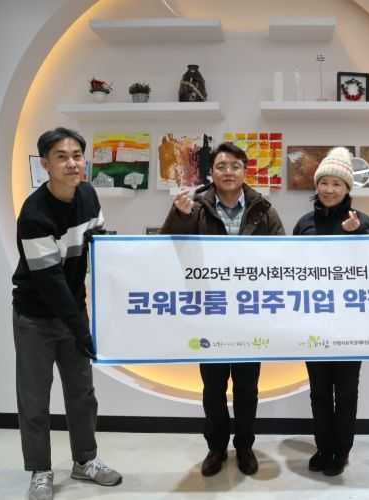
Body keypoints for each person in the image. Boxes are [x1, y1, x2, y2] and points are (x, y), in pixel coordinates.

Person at [160, 141, 285, 477]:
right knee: (213, 388)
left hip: (249, 313)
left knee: (247, 387)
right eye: (221, 166)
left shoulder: (263, 210)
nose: (228, 172)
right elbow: (168, 247)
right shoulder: (195, 207)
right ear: (211, 173)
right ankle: (216, 448)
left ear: (245, 172)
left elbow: (283, 256)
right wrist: (179, 215)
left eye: (235, 166)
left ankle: (244, 446)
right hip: (209, 311)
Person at [12, 128, 122, 500]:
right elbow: (50, 283)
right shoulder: (34, 214)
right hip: (35, 317)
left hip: (73, 310)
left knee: (82, 393)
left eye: (77, 155)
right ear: (45, 164)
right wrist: (81, 328)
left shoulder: (88, 195)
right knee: (34, 399)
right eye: (61, 157)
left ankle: (85, 460)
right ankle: (40, 470)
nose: (72, 163)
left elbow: (98, 244)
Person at [292, 147, 369, 476]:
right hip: (313, 320)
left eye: (336, 184)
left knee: (345, 391)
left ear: (347, 189)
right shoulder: (304, 224)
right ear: (316, 186)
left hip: (351, 323)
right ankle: (322, 447)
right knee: (318, 391)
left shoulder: (362, 222)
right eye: (324, 183)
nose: (329, 189)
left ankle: (341, 451)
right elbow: (290, 269)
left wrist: (358, 235)